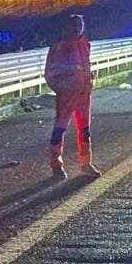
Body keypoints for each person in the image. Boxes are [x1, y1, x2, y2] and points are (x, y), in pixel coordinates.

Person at [44, 13, 100, 180]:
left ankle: (85, 163)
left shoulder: (85, 44)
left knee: (85, 130)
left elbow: (84, 67)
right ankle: (56, 164)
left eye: (80, 25)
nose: (78, 28)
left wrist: (89, 80)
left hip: (83, 94)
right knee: (60, 129)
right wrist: (61, 89)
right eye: (75, 25)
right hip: (67, 95)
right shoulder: (60, 46)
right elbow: (50, 73)